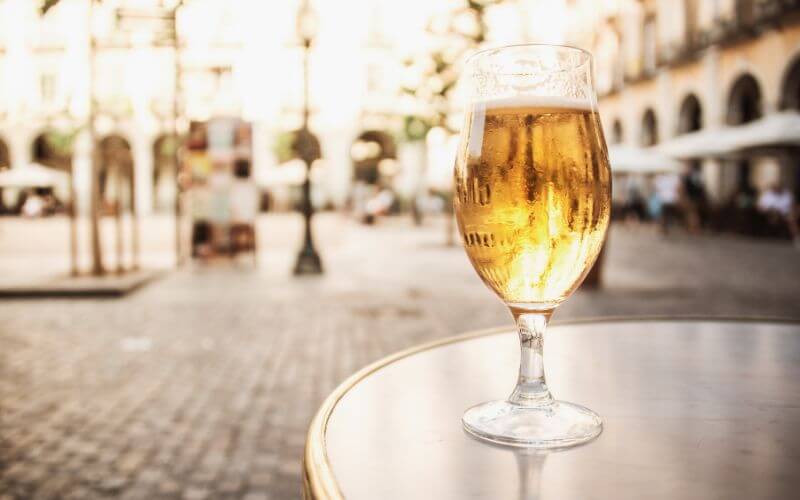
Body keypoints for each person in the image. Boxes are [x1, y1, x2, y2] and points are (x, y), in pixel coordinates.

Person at [229, 158, 259, 262]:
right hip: (249, 217)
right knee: (249, 231)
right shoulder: (252, 185)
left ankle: (234, 254)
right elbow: (254, 202)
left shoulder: (234, 185)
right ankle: (253, 255)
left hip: (238, 217)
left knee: (234, 231)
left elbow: (233, 204)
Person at [682, 163, 707, 234]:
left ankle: (694, 228)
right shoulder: (696, 175)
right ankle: (694, 228)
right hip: (694, 197)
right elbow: (701, 186)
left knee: (692, 213)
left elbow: (699, 187)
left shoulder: (691, 176)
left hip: (692, 197)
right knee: (693, 213)